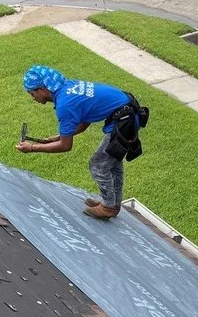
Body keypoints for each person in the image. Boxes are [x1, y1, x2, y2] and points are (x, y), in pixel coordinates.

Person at [17, 65, 146, 220]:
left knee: (97, 164)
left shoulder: (65, 104)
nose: (33, 98)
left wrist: (32, 148)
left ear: (42, 89)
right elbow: (85, 120)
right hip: (128, 112)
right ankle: (112, 203)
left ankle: (109, 207)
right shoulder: (69, 88)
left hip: (125, 120)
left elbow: (65, 146)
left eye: (32, 93)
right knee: (112, 163)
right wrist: (59, 136)